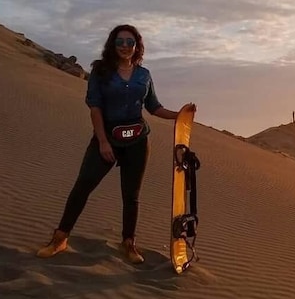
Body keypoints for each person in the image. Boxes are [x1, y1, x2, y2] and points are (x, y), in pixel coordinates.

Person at [36, 24, 196, 264]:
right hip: (107, 138)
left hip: (138, 141)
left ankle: (128, 243)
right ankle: (60, 238)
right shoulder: (101, 72)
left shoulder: (144, 75)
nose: (124, 46)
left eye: (129, 42)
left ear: (136, 46)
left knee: (131, 195)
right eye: (119, 41)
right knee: (83, 186)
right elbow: (95, 107)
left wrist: (180, 115)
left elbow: (153, 107)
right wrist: (102, 141)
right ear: (112, 44)